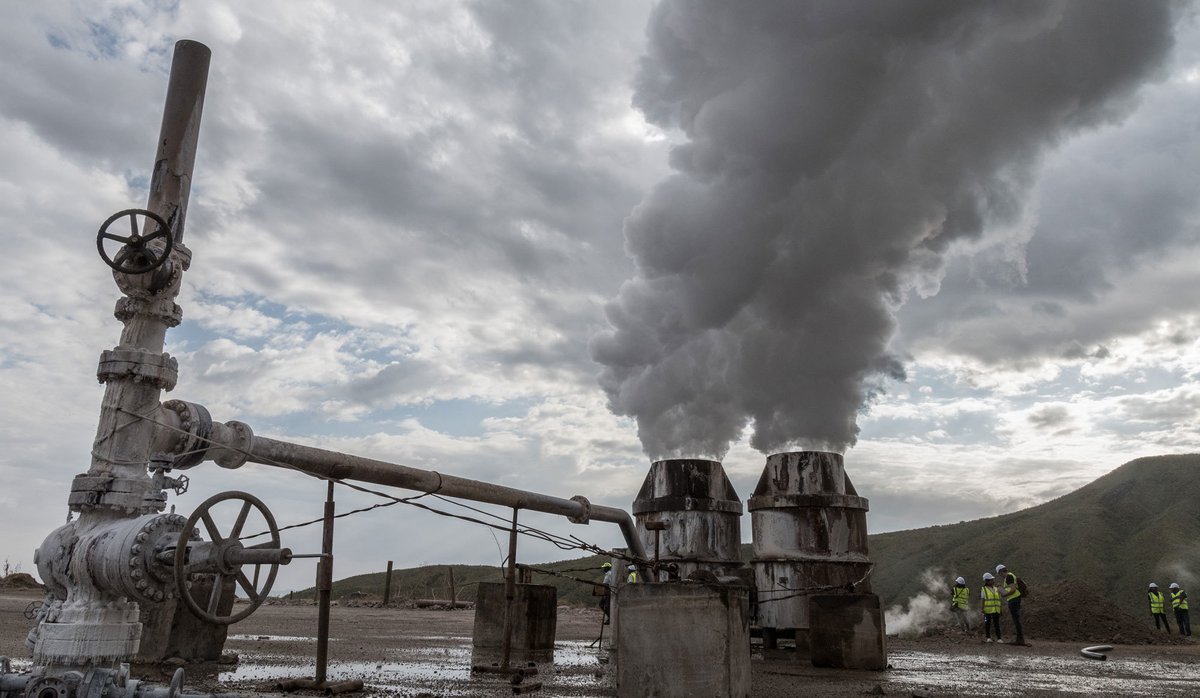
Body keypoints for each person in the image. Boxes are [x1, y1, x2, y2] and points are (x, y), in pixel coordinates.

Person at [996, 564, 1027, 646]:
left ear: (1000, 572)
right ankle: (1020, 639)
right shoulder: (1010, 576)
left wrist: (1004, 594)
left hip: (1014, 599)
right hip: (1015, 599)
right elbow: (1011, 588)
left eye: (999, 574)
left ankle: (1020, 639)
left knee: (1016, 620)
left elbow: (1012, 589)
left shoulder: (1008, 577)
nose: (1000, 576)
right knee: (1016, 619)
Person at [980, 572, 1003, 643]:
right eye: (991, 580)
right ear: (987, 581)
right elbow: (983, 600)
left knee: (997, 624)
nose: (993, 581)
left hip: (996, 610)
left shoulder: (996, 589)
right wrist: (982, 609)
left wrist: (1001, 609)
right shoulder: (984, 589)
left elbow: (999, 599)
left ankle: (999, 638)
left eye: (993, 579)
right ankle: (988, 637)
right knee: (987, 624)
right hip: (987, 610)